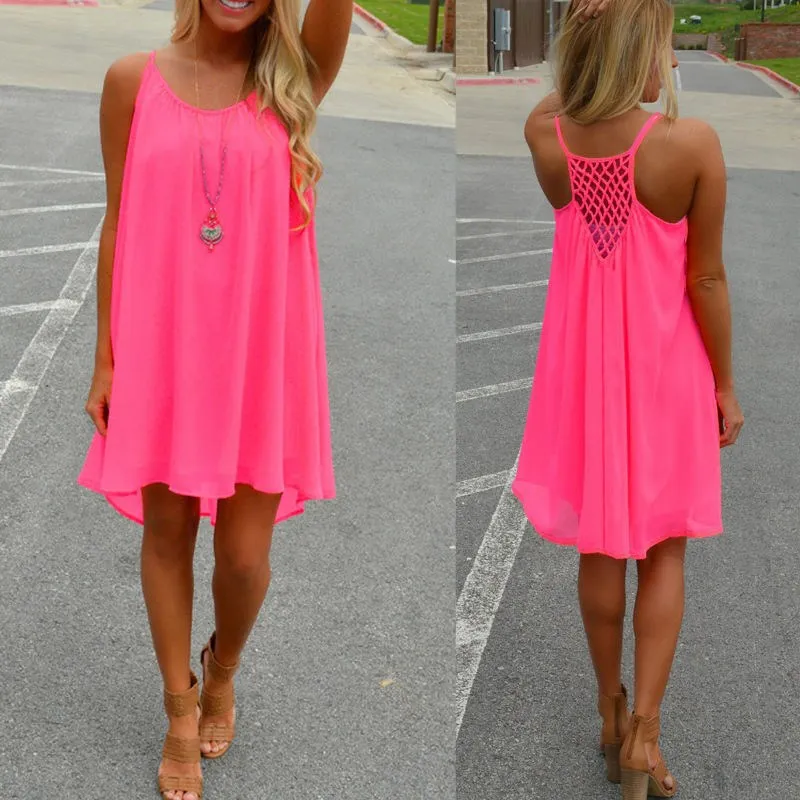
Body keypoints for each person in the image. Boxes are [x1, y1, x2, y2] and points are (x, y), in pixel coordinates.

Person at [78, 0, 351, 796]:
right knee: (167, 532)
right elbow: (117, 222)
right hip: (163, 348)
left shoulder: (291, 82)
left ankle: (222, 665)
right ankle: (179, 709)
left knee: (243, 557)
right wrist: (105, 357)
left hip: (260, 355)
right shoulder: (130, 81)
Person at [512, 0, 744, 797]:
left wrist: (591, 42)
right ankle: (645, 730)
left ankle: (609, 712)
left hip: (586, 381)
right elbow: (705, 279)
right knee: (665, 549)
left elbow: (552, 104)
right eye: (662, 44)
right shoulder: (690, 143)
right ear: (634, 49)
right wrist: (724, 383)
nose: (671, 59)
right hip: (668, 373)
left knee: (600, 549)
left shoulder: (550, 136)